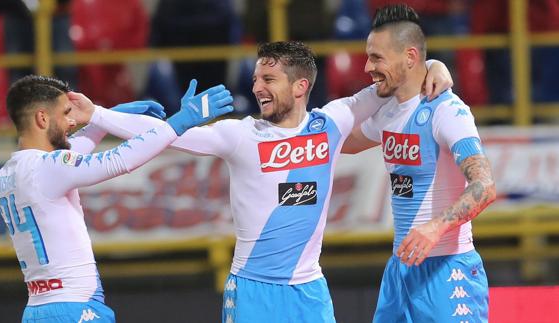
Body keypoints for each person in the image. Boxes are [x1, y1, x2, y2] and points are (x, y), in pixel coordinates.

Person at [86, 41, 452, 322]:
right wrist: (98, 115)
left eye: (268, 79)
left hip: (310, 291)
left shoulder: (333, 121)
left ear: (300, 86)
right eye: (256, 79)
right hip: (252, 291)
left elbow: (393, 79)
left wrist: (435, 64)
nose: (257, 87)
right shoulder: (239, 135)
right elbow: (164, 135)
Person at [0, 75, 233, 323]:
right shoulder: (47, 168)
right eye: (66, 113)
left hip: (37, 310)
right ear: (42, 118)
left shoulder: (9, 172)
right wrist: (180, 122)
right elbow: (118, 160)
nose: (73, 121)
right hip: (74, 309)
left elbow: (69, 155)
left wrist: (104, 120)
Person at [342, 4, 496, 322]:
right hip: (400, 270)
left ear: (410, 57)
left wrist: (435, 227)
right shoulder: (386, 112)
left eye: (377, 58)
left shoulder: (447, 111)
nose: (368, 66)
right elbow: (338, 143)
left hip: (446, 267)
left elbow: (485, 185)